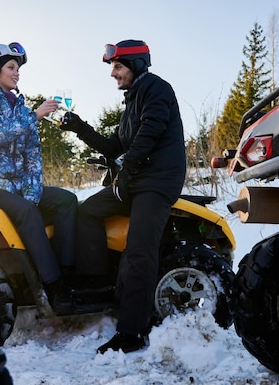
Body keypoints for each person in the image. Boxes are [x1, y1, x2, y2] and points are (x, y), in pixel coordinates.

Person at [59, 39, 186, 353]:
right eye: (112, 67)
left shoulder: (157, 88)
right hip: (135, 180)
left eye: (117, 66)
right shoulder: (131, 102)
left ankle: (131, 333)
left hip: (157, 182)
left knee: (139, 249)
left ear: (137, 64)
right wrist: (79, 127)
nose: (113, 73)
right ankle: (95, 282)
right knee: (88, 211)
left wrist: (128, 168)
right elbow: (112, 145)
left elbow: (152, 130)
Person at [0, 42, 77, 314]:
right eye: (11, 68)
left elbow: (32, 156)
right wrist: (34, 116)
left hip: (20, 188)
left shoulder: (20, 106)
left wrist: (33, 192)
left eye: (18, 69)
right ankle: (54, 287)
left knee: (67, 201)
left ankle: (68, 274)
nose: (17, 73)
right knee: (26, 211)